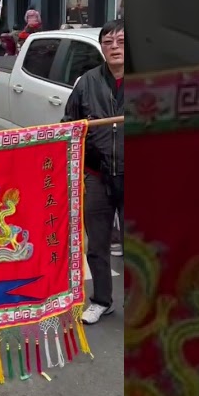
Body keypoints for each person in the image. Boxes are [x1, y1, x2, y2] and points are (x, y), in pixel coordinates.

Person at [63, 20, 124, 325]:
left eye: (121, 41)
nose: (115, 47)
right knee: (97, 243)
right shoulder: (86, 82)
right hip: (97, 176)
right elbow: (68, 124)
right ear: (101, 48)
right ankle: (102, 300)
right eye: (108, 42)